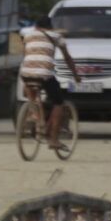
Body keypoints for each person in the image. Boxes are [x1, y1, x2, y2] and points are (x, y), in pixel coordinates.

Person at [19, 12, 74, 152]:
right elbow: (68, 59)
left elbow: (27, 54)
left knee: (28, 82)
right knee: (58, 102)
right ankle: (54, 140)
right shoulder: (56, 36)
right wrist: (76, 75)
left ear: (36, 26)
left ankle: (34, 111)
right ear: (50, 27)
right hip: (45, 75)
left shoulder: (28, 36)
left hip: (26, 73)